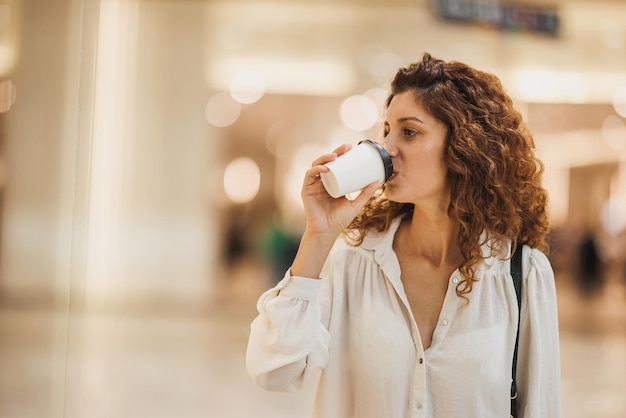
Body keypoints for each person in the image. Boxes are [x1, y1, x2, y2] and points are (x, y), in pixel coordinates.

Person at [246, 52, 561, 418]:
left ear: (466, 146)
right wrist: (319, 234)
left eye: (409, 132)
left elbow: (541, 408)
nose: (386, 149)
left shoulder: (522, 274)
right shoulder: (353, 261)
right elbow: (274, 371)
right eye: (386, 130)